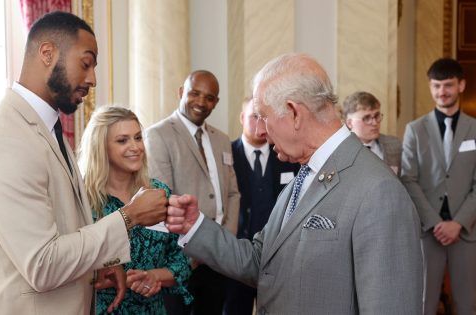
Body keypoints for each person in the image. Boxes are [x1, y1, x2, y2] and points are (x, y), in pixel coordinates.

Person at [166, 53, 423, 314]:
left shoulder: (379, 191)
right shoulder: (303, 176)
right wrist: (195, 226)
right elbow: (262, 261)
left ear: (293, 113)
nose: (261, 131)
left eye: (263, 116)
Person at [0, 11, 167, 315]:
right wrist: (129, 216)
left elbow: (62, 230)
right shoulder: (5, 140)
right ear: (47, 53)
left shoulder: (46, 128)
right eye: (86, 63)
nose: (92, 79)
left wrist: (95, 269)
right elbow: (43, 264)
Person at [78, 105, 192, 314]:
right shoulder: (83, 199)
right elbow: (71, 261)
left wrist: (155, 276)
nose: (136, 147)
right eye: (123, 140)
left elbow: (182, 261)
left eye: (138, 138)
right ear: (100, 147)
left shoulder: (158, 193)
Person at [144, 70, 240, 314]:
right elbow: (162, 200)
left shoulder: (222, 139)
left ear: (216, 103)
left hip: (218, 258)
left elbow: (232, 194)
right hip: (180, 257)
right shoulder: (158, 135)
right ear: (181, 92)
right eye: (194, 93)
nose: (201, 102)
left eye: (209, 97)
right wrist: (194, 249)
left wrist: (222, 244)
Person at [401, 57, 476, 315]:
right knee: (423, 304)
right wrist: (434, 222)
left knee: (467, 305)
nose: (441, 91)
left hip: (465, 232)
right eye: (436, 85)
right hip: (427, 231)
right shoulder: (414, 129)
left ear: (461, 85)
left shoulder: (475, 129)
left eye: (448, 85)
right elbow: (408, 179)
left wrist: (458, 222)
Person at [223, 97, 299, 315]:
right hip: (238, 255)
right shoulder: (227, 155)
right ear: (241, 118)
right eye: (253, 116)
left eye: (264, 117)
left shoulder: (285, 154)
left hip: (278, 254)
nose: (259, 124)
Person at [342, 91, 402, 175]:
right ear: (349, 123)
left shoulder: (394, 145)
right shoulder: (341, 151)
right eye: (366, 118)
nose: (374, 123)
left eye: (377, 116)